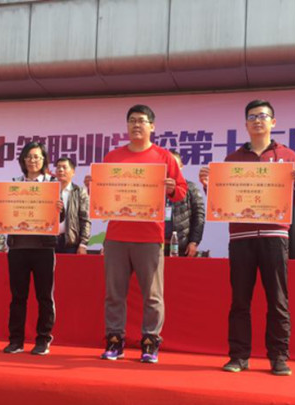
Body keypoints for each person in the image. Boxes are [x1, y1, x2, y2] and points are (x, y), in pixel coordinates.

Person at [199, 99, 295, 376]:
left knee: (278, 300)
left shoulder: (287, 156)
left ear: (273, 122)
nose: (258, 121)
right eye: (252, 117)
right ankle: (238, 356)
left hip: (275, 235)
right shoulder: (233, 159)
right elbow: (221, 200)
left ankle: (279, 357)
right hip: (241, 237)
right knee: (240, 300)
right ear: (245, 124)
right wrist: (209, 185)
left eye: (263, 116)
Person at [100, 104, 188, 364]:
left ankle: (150, 341)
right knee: (114, 293)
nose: (136, 125)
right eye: (132, 121)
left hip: (149, 236)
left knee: (152, 295)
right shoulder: (113, 157)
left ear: (152, 126)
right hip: (117, 235)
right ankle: (114, 340)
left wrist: (171, 189)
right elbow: (104, 194)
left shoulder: (164, 157)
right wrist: (95, 185)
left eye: (141, 120)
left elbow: (181, 192)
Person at [3, 141, 64, 356]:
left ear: (44, 160)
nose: (32, 161)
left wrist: (60, 209)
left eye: (37, 157)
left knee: (44, 296)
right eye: (29, 157)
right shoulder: (14, 184)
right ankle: (16, 340)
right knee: (18, 297)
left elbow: (61, 220)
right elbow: (6, 213)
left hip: (43, 249)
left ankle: (43, 339)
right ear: (23, 160)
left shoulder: (52, 184)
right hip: (18, 248)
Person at [166, 150, 205, 257]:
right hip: (156, 246)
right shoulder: (154, 188)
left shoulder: (191, 188)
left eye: (174, 165)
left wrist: (194, 242)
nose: (171, 169)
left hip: (181, 246)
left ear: (181, 166)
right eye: (168, 165)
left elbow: (199, 216)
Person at [54, 156, 91, 254]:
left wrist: (83, 244)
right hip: (49, 242)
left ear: (73, 172)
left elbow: (85, 219)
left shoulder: (79, 192)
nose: (60, 170)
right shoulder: (49, 191)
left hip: (71, 243)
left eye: (64, 167)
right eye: (58, 167)